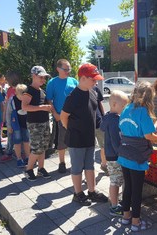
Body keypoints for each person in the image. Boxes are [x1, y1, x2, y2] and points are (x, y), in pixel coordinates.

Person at [118, 81, 157, 232]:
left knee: (128, 188)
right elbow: (148, 135)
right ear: (149, 98)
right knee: (137, 191)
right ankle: (136, 223)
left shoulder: (126, 108)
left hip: (124, 155)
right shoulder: (143, 111)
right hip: (137, 157)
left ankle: (126, 218)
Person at [60, 63, 108, 206]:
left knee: (90, 166)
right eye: (93, 79)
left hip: (89, 137)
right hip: (76, 138)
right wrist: (73, 129)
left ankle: (92, 191)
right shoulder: (72, 96)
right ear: (83, 78)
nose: (96, 82)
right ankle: (78, 193)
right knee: (77, 167)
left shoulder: (92, 92)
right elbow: (64, 117)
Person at [46, 59, 78, 173]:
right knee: (62, 141)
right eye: (65, 69)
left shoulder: (74, 81)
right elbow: (49, 99)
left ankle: (75, 162)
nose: (68, 71)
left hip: (75, 117)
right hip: (60, 117)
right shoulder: (52, 82)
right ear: (58, 69)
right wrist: (55, 114)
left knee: (75, 140)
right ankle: (62, 162)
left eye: (69, 69)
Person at [100, 90, 129, 216]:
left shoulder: (107, 117)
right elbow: (115, 140)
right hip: (116, 155)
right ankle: (114, 207)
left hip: (110, 155)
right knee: (116, 181)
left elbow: (102, 128)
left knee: (114, 179)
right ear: (114, 105)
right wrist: (122, 153)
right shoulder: (115, 121)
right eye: (123, 106)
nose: (124, 109)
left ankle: (114, 202)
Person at [22, 66, 52, 181]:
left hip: (44, 122)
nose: (43, 80)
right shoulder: (28, 91)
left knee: (43, 147)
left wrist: (48, 107)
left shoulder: (42, 91)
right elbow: (24, 107)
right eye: (41, 77)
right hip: (35, 124)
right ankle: (29, 169)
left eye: (44, 78)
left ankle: (41, 168)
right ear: (33, 76)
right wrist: (42, 107)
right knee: (36, 148)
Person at [6, 84, 30, 167]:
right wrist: (8, 126)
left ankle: (28, 157)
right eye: (21, 94)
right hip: (16, 124)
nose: (23, 96)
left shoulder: (27, 100)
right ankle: (19, 159)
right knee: (17, 142)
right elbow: (8, 113)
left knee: (27, 141)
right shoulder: (12, 100)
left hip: (26, 124)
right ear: (16, 93)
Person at [93, 84, 108, 175]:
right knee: (90, 149)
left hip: (99, 122)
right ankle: (89, 172)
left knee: (103, 146)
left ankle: (104, 165)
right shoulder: (79, 91)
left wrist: (103, 116)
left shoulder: (96, 89)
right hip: (88, 126)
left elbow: (100, 104)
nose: (97, 83)